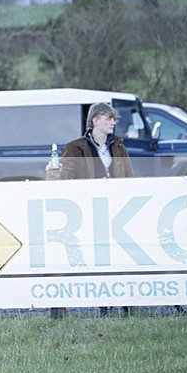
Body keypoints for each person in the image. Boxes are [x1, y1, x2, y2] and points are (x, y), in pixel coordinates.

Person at [48, 102, 134, 317]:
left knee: (116, 256)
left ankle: (121, 305)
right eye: (109, 118)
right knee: (88, 256)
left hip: (115, 210)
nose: (113, 122)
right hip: (87, 210)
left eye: (114, 119)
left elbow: (130, 178)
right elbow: (66, 179)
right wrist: (53, 173)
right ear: (95, 120)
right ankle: (77, 304)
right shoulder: (75, 147)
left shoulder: (119, 146)